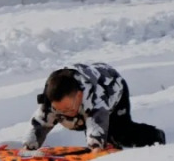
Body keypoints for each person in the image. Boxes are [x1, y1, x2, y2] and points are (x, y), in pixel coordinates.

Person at [22, 63, 165, 153]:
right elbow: (40, 123)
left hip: (113, 88)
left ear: (79, 96)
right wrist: (29, 146)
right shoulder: (51, 99)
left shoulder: (95, 99)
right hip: (83, 106)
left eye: (67, 109)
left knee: (119, 134)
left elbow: (96, 124)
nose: (64, 113)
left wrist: (96, 147)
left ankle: (155, 136)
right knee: (79, 122)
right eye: (60, 110)